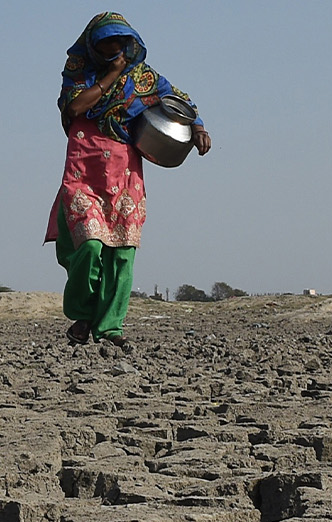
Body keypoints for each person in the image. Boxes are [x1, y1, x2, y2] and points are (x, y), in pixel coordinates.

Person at [46, 12, 211, 345]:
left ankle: (110, 327)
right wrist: (112, 74)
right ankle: (83, 312)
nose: (112, 48)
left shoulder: (144, 78)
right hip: (84, 166)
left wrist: (198, 127)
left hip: (124, 168)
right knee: (89, 245)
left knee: (123, 250)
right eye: (105, 42)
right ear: (92, 44)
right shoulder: (79, 72)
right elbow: (77, 107)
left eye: (118, 43)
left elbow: (182, 101)